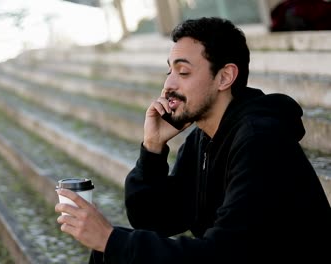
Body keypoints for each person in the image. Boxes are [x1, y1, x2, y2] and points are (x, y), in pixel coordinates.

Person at [55, 17, 331, 263]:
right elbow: (153, 221)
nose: (169, 85)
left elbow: (222, 254)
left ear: (224, 77)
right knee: (110, 254)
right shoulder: (204, 138)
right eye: (169, 71)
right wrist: (152, 148)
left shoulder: (261, 141)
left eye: (183, 72)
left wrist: (109, 238)